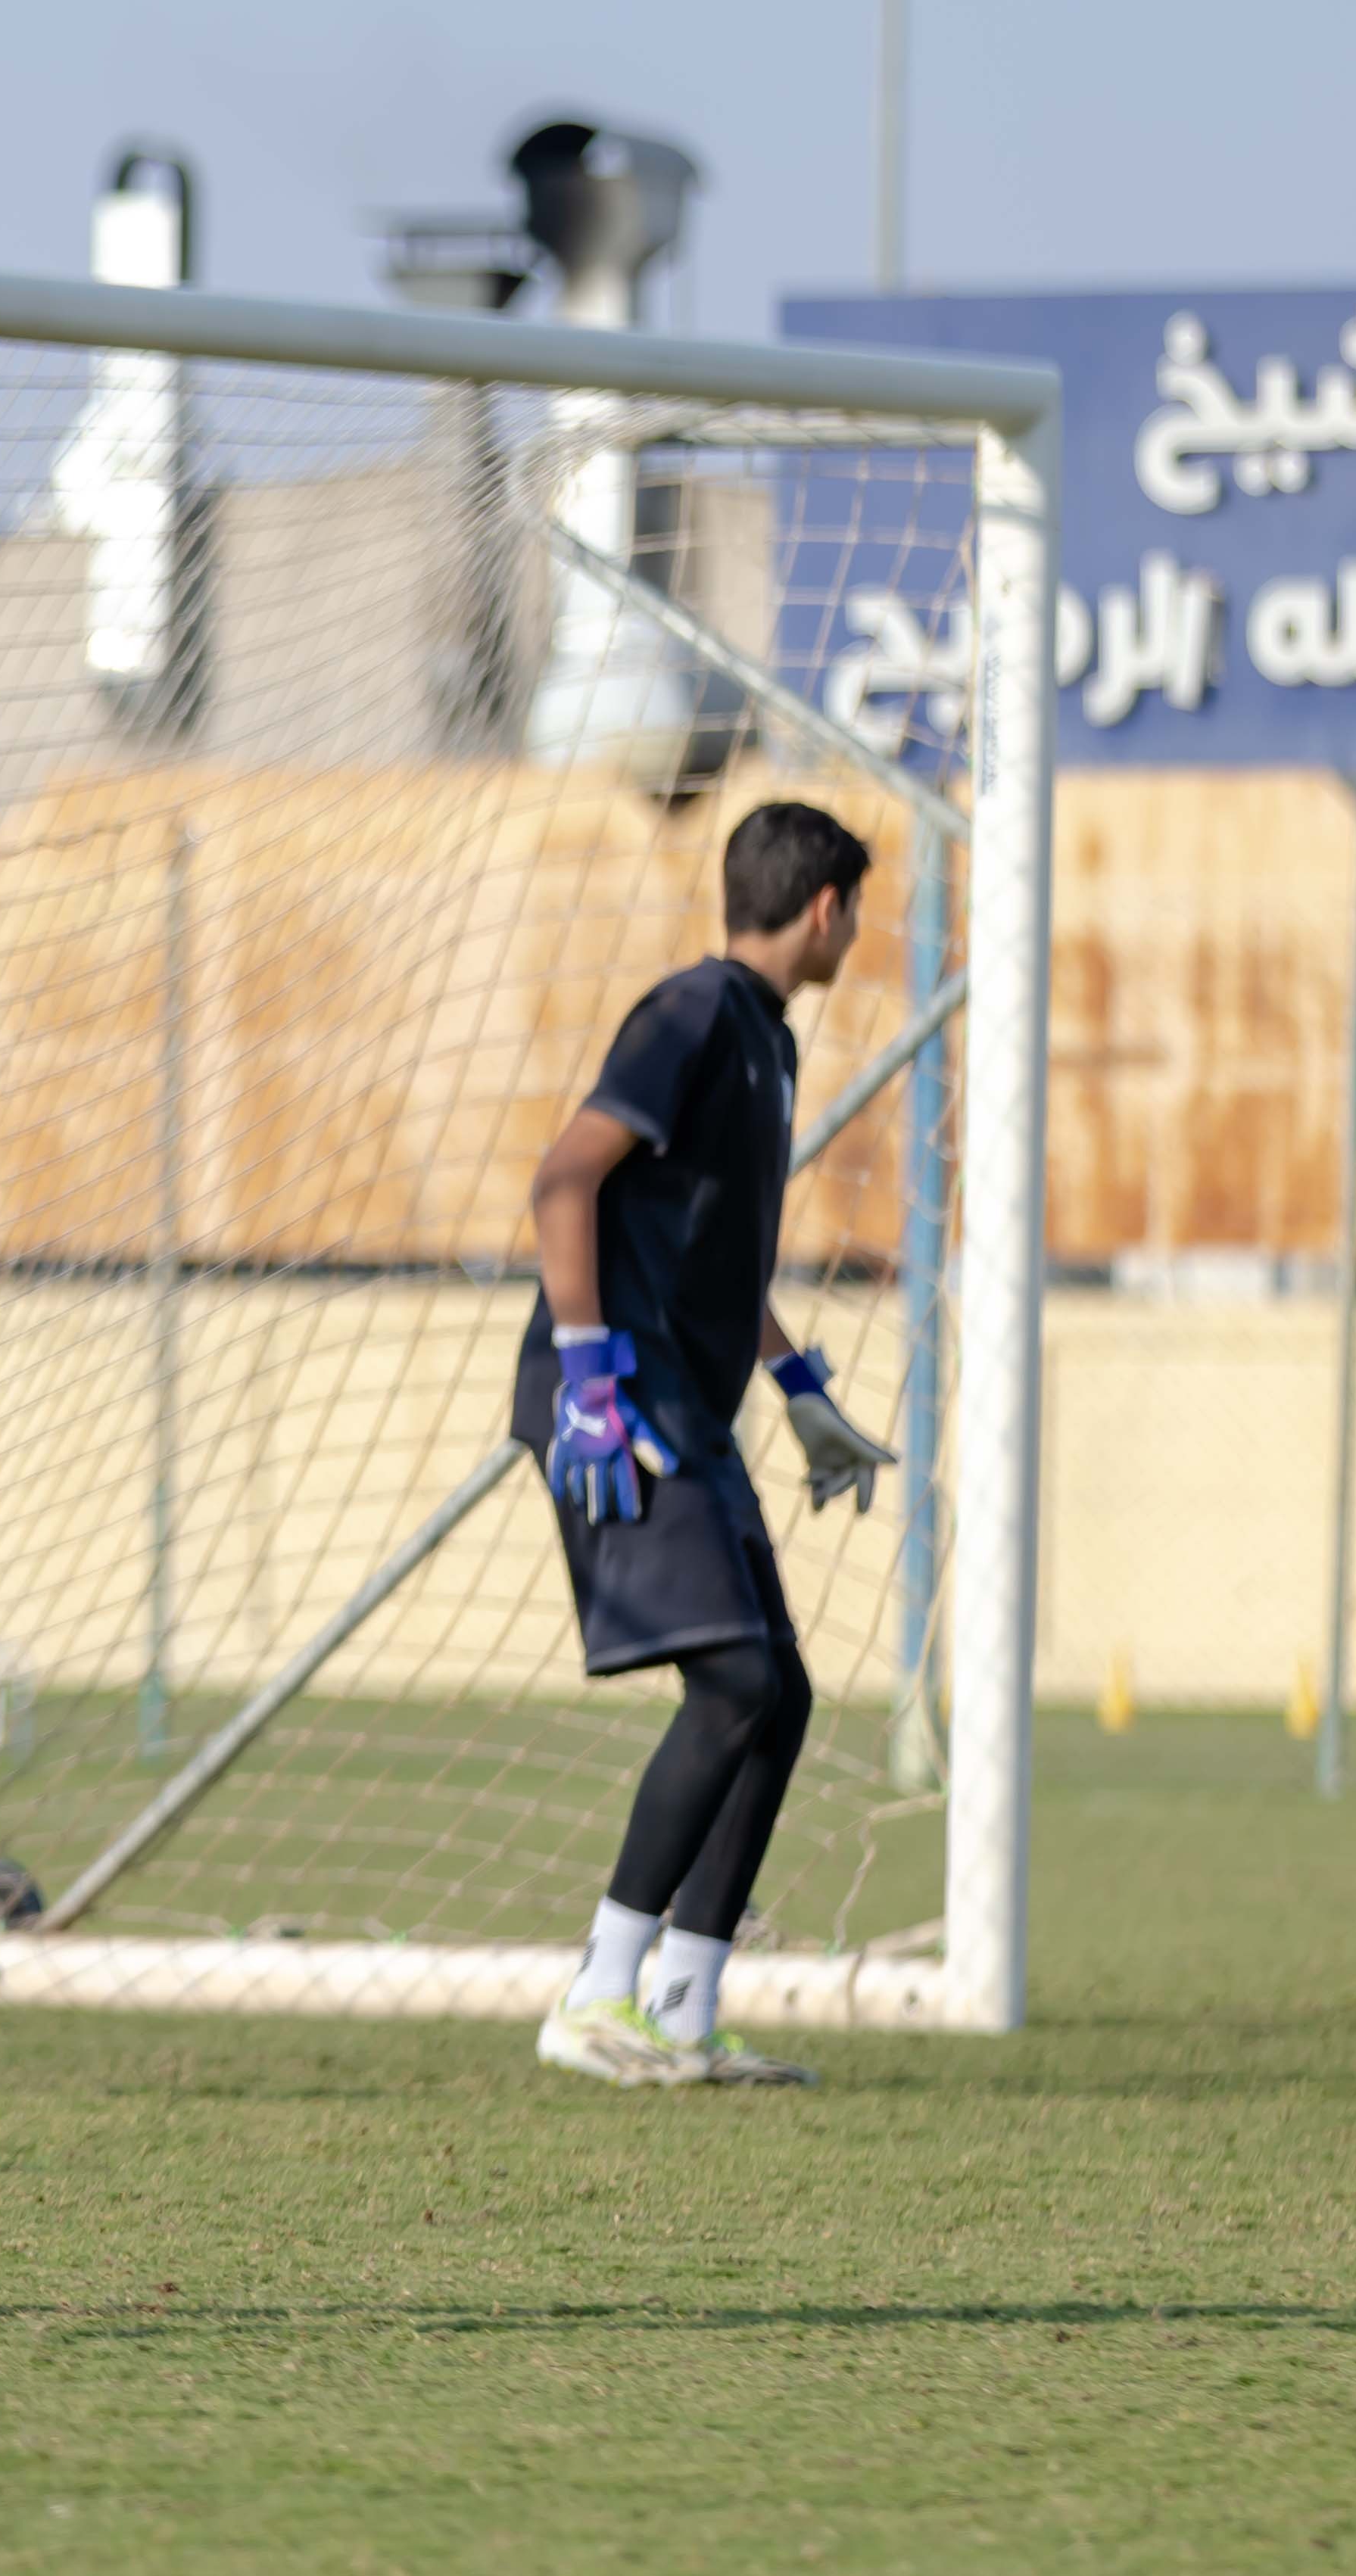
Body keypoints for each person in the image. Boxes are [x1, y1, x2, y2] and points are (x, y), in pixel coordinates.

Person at [513, 798, 901, 2089]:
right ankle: (598, 1993)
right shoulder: (692, 1011)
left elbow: (711, 1251)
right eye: (862, 913)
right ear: (829, 908)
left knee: (775, 1696)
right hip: (620, 1398)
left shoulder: (764, 1041)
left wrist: (795, 1383)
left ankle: (684, 2006)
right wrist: (585, 1377)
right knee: (735, 1681)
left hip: (687, 1395)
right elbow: (566, 1179)